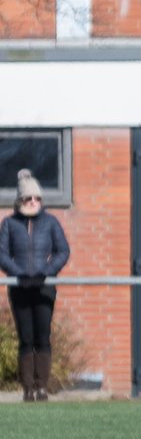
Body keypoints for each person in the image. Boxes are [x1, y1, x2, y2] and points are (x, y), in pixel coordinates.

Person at [0, 169, 70, 401]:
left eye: (37, 198)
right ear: (20, 200)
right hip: (19, 288)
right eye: (28, 198)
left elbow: (63, 251)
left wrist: (45, 273)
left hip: (44, 288)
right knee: (26, 337)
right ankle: (28, 388)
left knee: (42, 335)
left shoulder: (50, 222)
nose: (33, 202)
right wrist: (19, 274)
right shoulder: (9, 224)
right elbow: (2, 254)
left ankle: (42, 387)